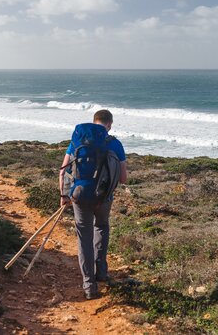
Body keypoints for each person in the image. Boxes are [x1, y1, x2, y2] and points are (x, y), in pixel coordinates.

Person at [59, 109, 127, 300]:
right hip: (104, 197)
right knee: (102, 227)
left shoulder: (77, 141)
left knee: (84, 238)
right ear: (109, 124)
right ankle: (102, 272)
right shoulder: (115, 143)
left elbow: (63, 172)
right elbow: (123, 179)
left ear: (94, 121)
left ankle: (89, 285)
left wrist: (64, 196)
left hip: (79, 196)